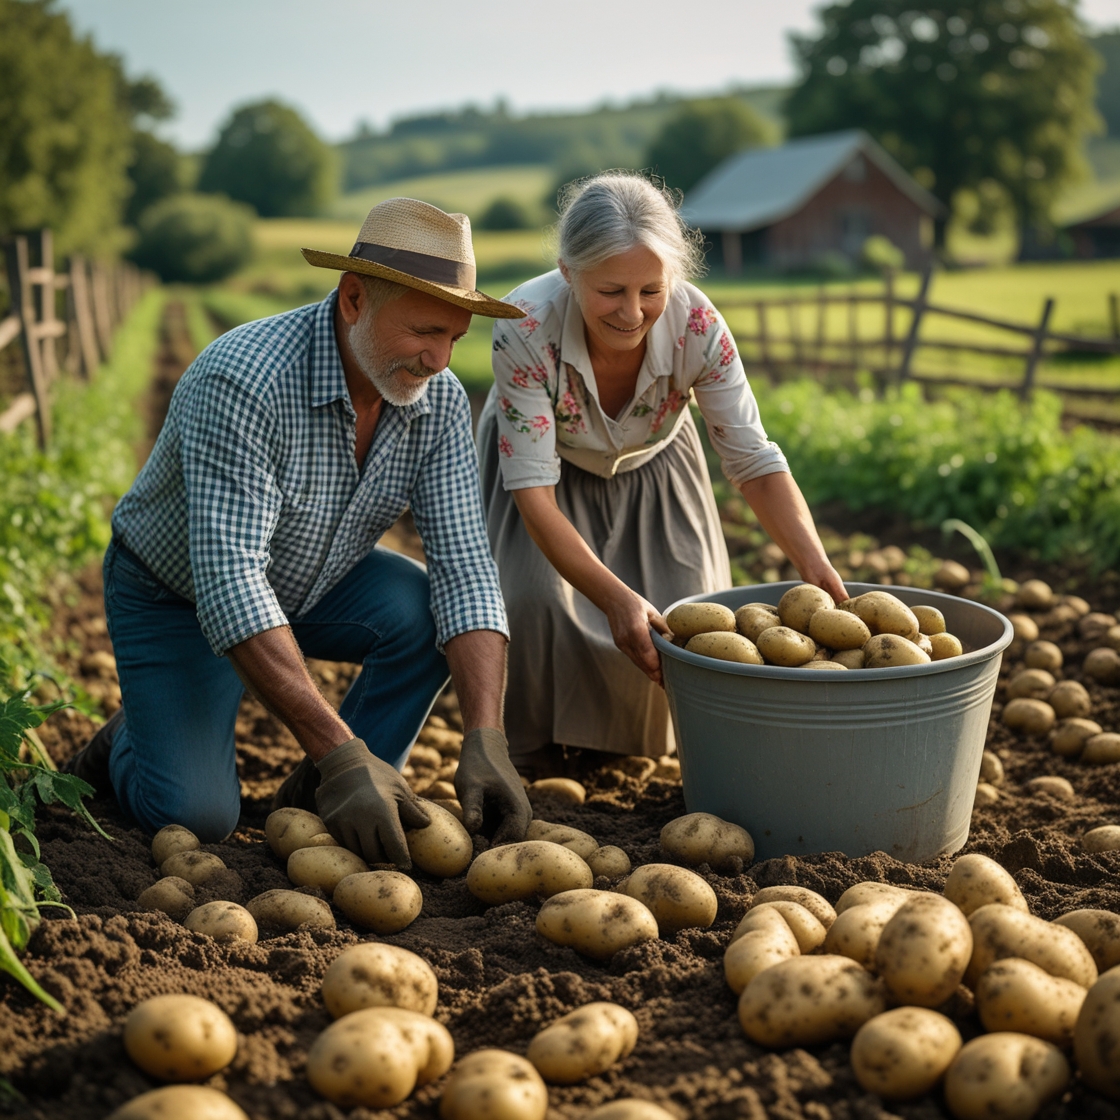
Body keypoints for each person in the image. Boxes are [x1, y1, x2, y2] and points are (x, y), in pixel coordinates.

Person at [66, 198, 532, 865]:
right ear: (352, 299)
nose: (439, 359)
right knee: (196, 816)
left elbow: (467, 570)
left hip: (314, 577)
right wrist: (342, 753)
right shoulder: (245, 379)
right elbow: (229, 580)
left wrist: (487, 734)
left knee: (430, 609)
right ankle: (128, 744)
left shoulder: (440, 403)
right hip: (179, 595)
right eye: (425, 331)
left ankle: (326, 795)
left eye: (455, 338)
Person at [478, 172, 846, 771]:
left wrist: (815, 566)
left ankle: (635, 751)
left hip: (655, 458)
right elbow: (536, 496)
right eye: (611, 291)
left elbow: (752, 461)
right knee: (531, 603)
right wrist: (612, 597)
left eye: (651, 289)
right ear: (569, 273)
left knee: (686, 611)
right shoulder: (525, 322)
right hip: (545, 470)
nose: (632, 312)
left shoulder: (698, 328)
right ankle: (535, 761)